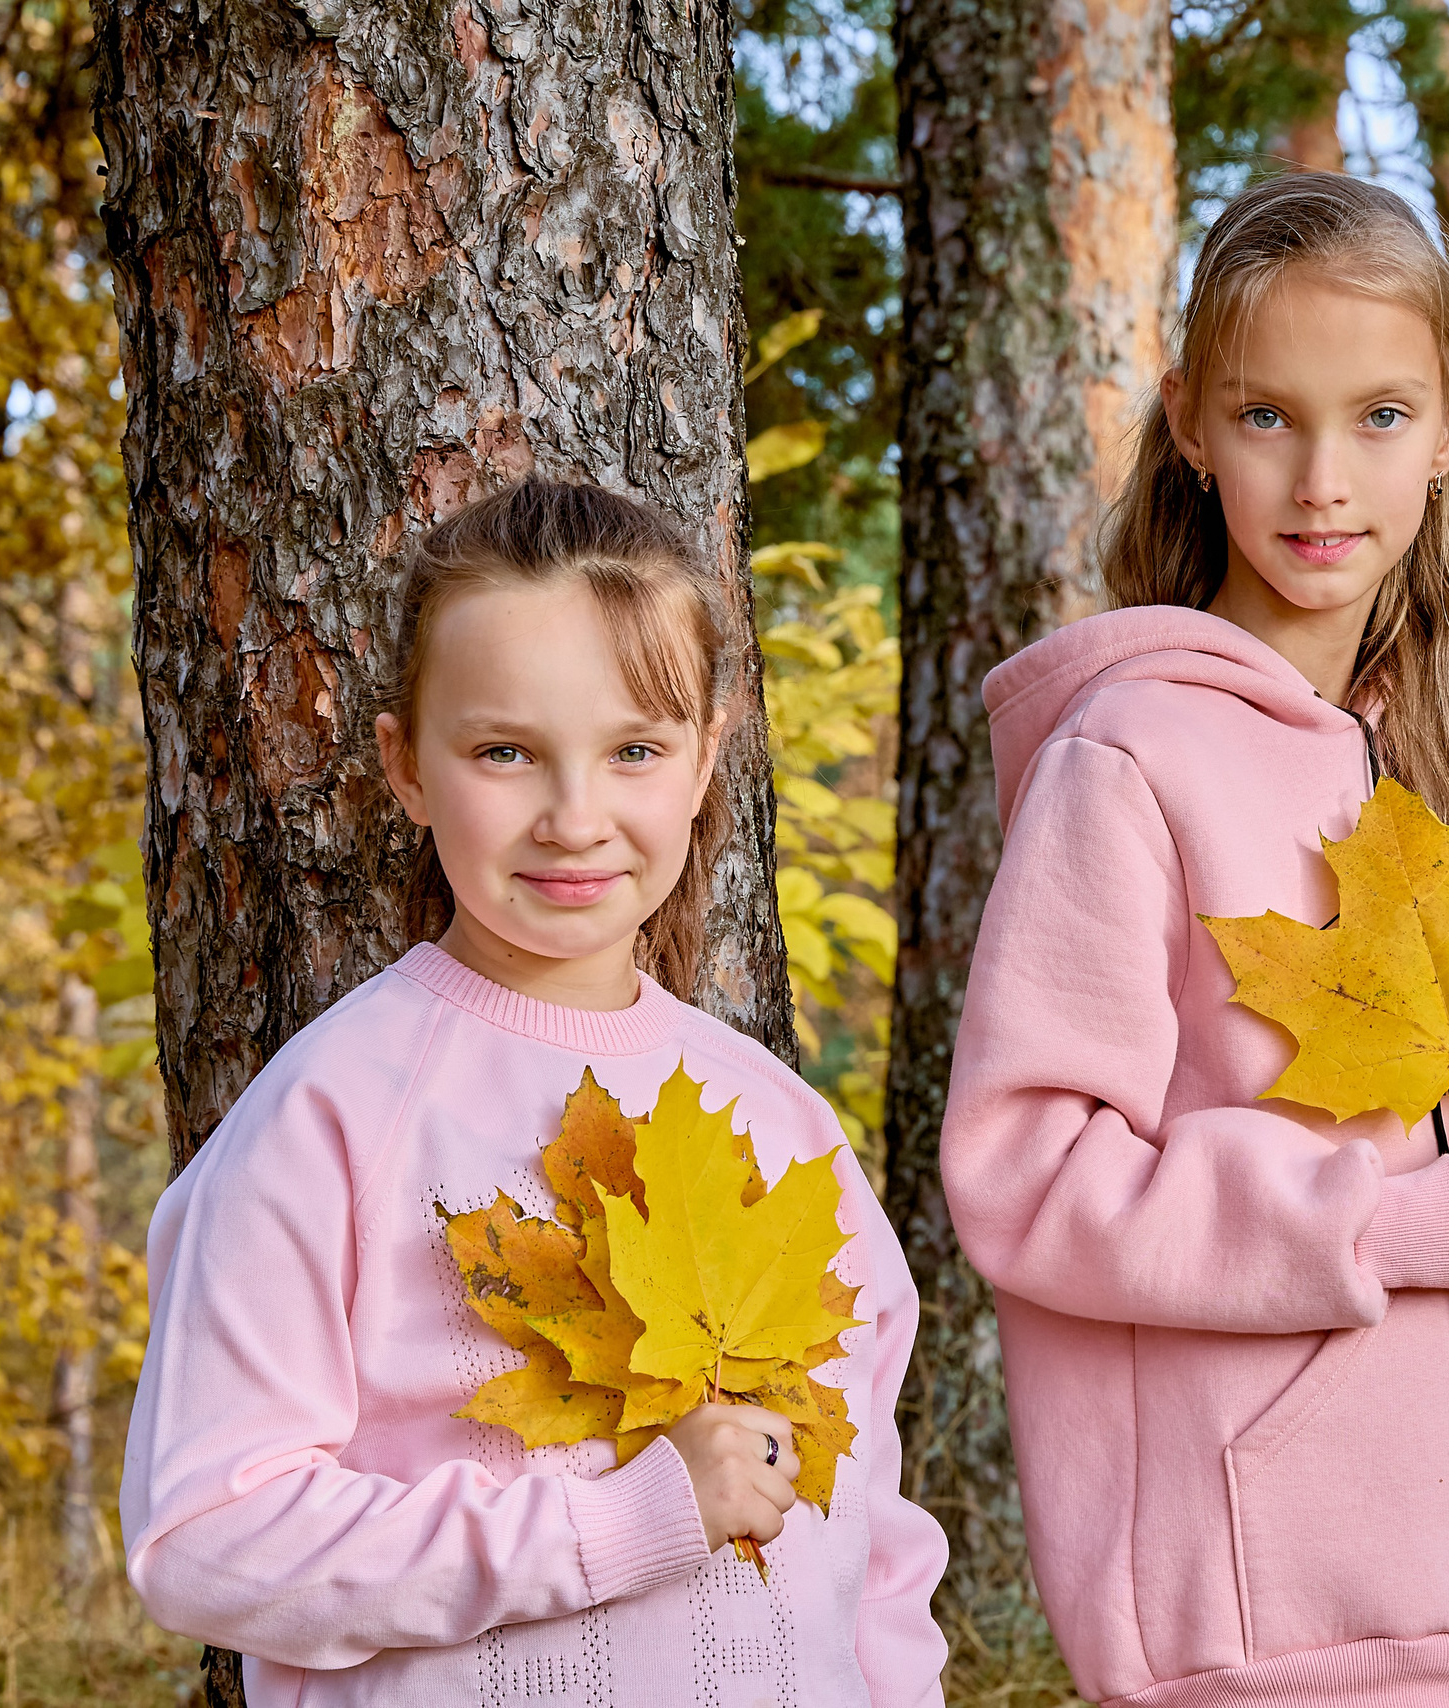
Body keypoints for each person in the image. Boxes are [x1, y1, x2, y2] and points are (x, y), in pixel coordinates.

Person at [942, 172, 1449, 1707]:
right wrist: (1392, 1228)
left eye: (1381, 417)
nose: (1323, 480)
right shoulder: (1131, 757)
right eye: (1269, 416)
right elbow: (1028, 1178)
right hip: (1264, 1639)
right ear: (1191, 424)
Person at [120, 480, 947, 1706]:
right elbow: (206, 1539)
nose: (574, 818)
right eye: (504, 752)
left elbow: (869, 1548)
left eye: (634, 751)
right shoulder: (334, 1113)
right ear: (405, 766)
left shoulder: (781, 1122)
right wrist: (619, 1523)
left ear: (706, 757)